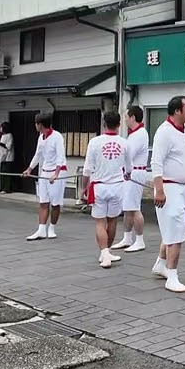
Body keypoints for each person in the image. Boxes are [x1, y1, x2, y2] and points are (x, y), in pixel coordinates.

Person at [151, 96, 185, 293]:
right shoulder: (164, 132)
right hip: (170, 189)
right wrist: (159, 190)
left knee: (176, 230)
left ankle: (161, 264)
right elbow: (156, 163)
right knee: (175, 233)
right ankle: (172, 275)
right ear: (177, 111)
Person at [84, 112, 127, 268]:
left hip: (99, 186)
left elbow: (87, 168)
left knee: (100, 222)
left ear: (103, 124)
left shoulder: (94, 142)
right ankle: (107, 251)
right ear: (119, 124)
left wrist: (84, 186)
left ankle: (105, 253)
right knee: (112, 219)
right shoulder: (124, 143)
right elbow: (128, 168)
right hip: (117, 186)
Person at [111, 106, 149, 253]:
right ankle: (127, 238)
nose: (124, 119)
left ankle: (140, 240)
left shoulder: (140, 133)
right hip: (129, 173)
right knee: (127, 207)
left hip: (135, 173)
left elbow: (129, 155)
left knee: (134, 207)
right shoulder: (134, 134)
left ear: (133, 117)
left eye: (126, 116)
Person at [24, 113, 66, 241]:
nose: (35, 126)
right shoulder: (41, 137)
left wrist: (56, 174)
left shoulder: (57, 136)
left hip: (57, 172)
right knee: (43, 202)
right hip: (45, 171)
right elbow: (38, 155)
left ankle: (52, 228)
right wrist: (29, 169)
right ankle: (41, 230)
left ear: (40, 124)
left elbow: (61, 156)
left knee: (55, 203)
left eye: (36, 124)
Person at [0, 122, 16, 193]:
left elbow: (8, 146)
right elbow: (0, 147)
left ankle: (6, 189)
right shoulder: (3, 136)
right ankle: (1, 188)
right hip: (2, 157)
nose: (0, 128)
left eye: (2, 127)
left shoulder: (9, 136)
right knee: (1, 173)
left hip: (8, 158)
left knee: (7, 174)